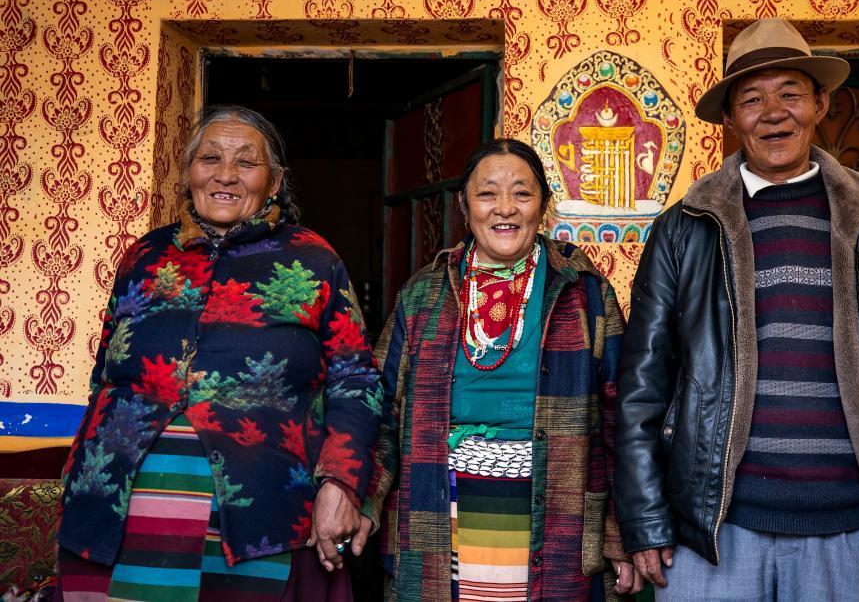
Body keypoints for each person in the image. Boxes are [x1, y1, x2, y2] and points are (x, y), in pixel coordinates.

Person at [614, 18, 859, 600]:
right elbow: (642, 385)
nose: (773, 114)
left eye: (790, 94)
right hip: (713, 532)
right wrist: (645, 519)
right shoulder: (685, 228)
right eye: (752, 100)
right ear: (730, 119)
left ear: (821, 104)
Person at [57, 105, 382, 601]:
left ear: (274, 182)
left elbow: (356, 379)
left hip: (265, 508)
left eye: (246, 162)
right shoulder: (144, 256)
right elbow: (105, 372)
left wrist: (341, 482)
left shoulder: (315, 259)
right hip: (115, 505)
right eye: (210, 158)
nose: (225, 175)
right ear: (189, 172)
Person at [350, 139, 639, 601]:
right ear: (465, 207)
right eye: (487, 194)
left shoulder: (584, 293)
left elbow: (621, 420)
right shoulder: (423, 294)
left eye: (522, 193)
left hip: (560, 523)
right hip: (435, 518)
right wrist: (364, 500)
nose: (505, 208)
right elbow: (382, 411)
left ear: (543, 205)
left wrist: (623, 532)